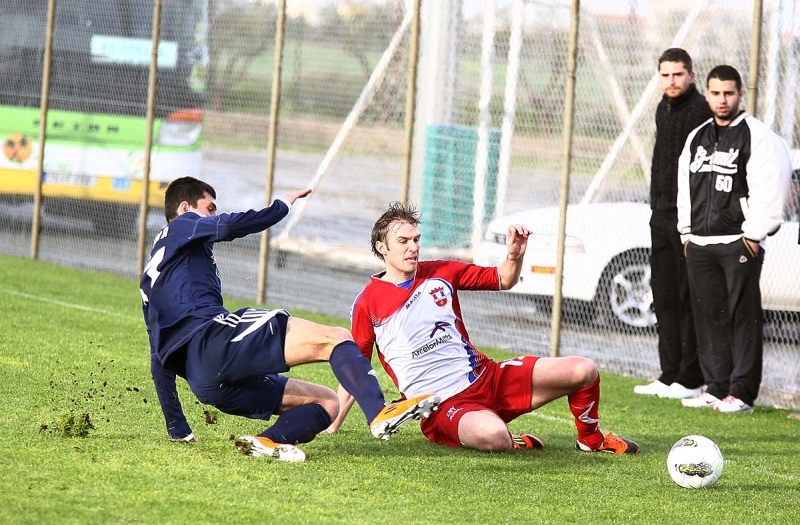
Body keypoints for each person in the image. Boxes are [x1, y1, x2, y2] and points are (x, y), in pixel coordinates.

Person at [140, 177, 440, 462]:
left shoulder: (155, 275)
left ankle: (270, 440)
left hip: (205, 381)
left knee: (327, 404)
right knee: (336, 337)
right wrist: (280, 207)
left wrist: (177, 427)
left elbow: (158, 357)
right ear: (184, 209)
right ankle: (379, 412)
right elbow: (228, 225)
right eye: (209, 209)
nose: (212, 216)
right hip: (214, 342)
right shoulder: (181, 226)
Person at [324, 202, 640, 454]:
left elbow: (503, 279)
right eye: (403, 241)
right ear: (382, 247)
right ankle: (508, 437)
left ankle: (591, 440)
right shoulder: (368, 302)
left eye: (416, 240)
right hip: (444, 405)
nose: (412, 248)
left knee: (583, 369)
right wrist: (334, 423)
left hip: (489, 378)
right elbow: (356, 367)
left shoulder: (442, 272)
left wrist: (514, 255)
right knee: (495, 438)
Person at [677, 65, 792, 413]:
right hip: (700, 242)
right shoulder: (697, 136)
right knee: (709, 316)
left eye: (729, 93)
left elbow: (772, 186)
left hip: (738, 242)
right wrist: (686, 233)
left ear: (740, 94)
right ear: (707, 94)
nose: (722, 100)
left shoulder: (757, 135)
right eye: (715, 93)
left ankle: (741, 393)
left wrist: (754, 234)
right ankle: (715, 386)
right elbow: (685, 186)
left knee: (743, 318)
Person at [634, 48, 713, 400]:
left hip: (690, 220)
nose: (671, 81)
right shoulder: (663, 108)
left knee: (686, 297)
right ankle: (669, 375)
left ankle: (690, 376)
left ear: (691, 76)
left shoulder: (701, 111)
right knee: (663, 294)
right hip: (660, 216)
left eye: (678, 74)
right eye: (665, 75)